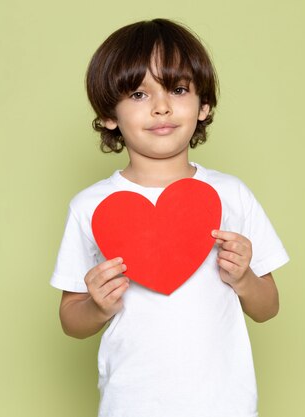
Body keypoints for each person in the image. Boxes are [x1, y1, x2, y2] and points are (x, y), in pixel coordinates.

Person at [50, 18, 289, 417]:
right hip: (131, 402)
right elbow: (70, 320)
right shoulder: (91, 206)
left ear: (204, 105)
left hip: (224, 403)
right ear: (110, 115)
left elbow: (268, 307)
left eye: (178, 89)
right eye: (139, 94)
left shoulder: (231, 195)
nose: (161, 106)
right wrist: (97, 307)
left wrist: (243, 278)